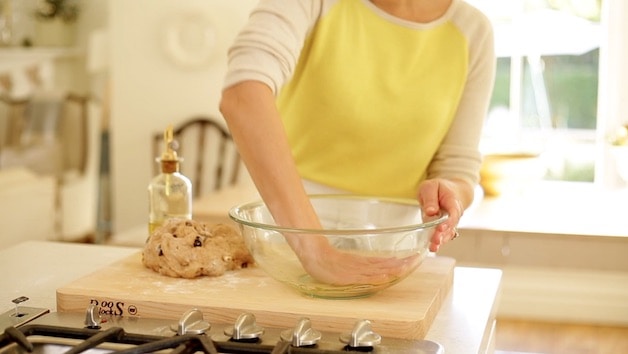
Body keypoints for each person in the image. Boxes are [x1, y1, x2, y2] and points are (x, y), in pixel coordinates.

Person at [219, 0, 495, 285]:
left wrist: (449, 190)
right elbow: (243, 94)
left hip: (399, 249)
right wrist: (313, 248)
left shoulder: (473, 31)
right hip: (286, 236)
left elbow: (458, 167)